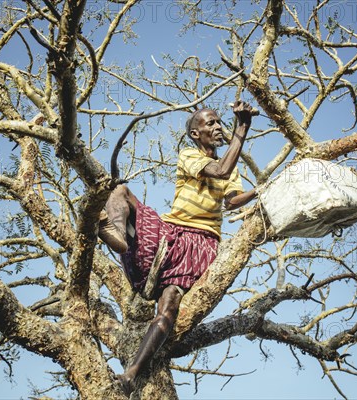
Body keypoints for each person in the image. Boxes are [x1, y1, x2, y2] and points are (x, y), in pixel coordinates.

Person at [98, 101, 257, 396]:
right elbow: (220, 170)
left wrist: (261, 191)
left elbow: (232, 200)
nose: (218, 126)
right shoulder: (189, 155)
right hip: (169, 231)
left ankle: (132, 374)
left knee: (169, 307)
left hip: (200, 243)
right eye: (210, 123)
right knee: (119, 190)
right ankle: (118, 236)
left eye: (219, 122)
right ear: (196, 134)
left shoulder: (230, 169)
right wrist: (242, 128)